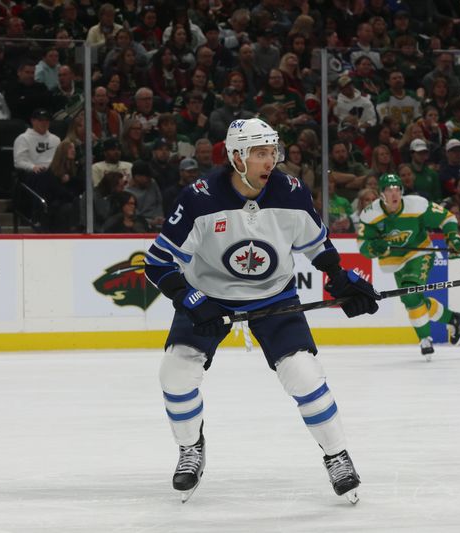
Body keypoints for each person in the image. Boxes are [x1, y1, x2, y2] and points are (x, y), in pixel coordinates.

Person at [143, 118, 379, 503]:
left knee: (303, 374)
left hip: (273, 295)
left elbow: (317, 245)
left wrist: (339, 278)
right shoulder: (199, 198)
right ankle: (190, 449)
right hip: (208, 294)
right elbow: (158, 263)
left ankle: (337, 455)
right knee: (175, 372)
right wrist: (189, 299)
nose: (271, 161)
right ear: (236, 156)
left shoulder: (292, 191)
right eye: (260, 153)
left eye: (273, 152)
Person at [357, 173, 460, 360]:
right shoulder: (370, 214)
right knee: (412, 299)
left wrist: (453, 237)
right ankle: (454, 319)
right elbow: (363, 247)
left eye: (397, 190)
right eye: (388, 190)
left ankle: (425, 339)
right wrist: (373, 247)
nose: (394, 194)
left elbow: (447, 218)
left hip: (420, 253)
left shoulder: (417, 205)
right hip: (394, 262)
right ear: (381, 194)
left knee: (410, 292)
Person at [13, 108, 61, 182]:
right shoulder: (23, 138)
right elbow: (18, 162)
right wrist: (33, 167)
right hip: (33, 174)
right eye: (40, 120)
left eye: (46, 120)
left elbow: (60, 160)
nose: (44, 123)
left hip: (53, 173)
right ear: (32, 121)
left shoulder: (56, 139)